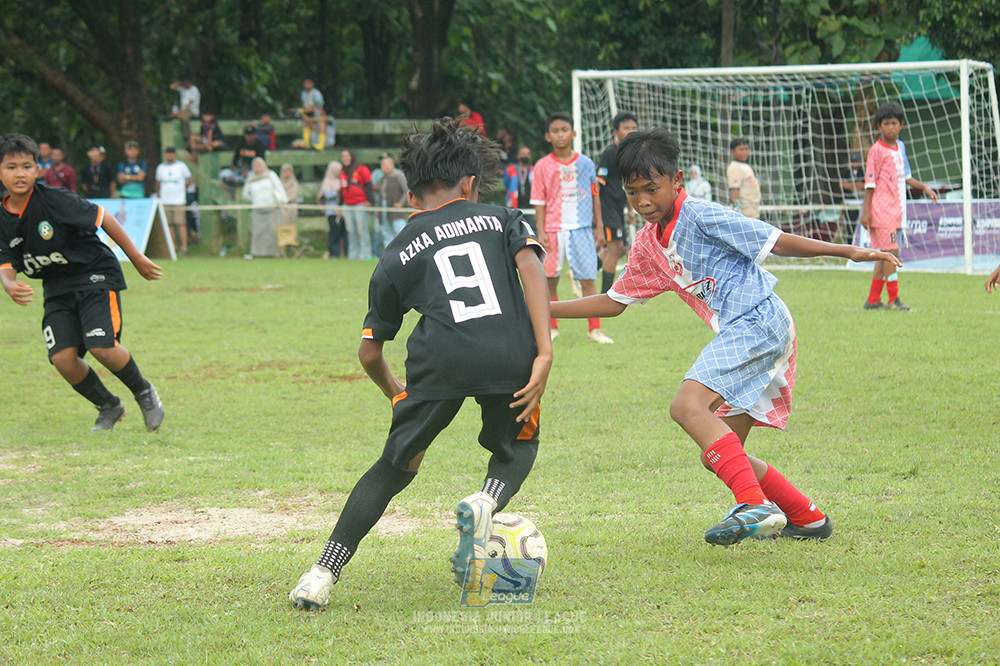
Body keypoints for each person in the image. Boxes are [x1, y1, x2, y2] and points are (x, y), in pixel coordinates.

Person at [550, 128, 902, 546]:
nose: (642, 201)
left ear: (676, 180)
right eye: (632, 192)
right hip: (753, 330)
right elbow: (613, 302)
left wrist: (847, 250)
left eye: (651, 189)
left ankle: (753, 504)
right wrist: (540, 308)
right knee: (718, 451)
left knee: (687, 406)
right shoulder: (646, 245)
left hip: (758, 319)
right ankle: (807, 518)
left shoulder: (700, 214)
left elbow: (774, 241)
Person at [289, 118, 551, 611]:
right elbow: (532, 267)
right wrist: (544, 352)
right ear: (470, 184)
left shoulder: (396, 251)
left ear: (411, 197)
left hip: (439, 361)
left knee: (394, 467)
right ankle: (487, 501)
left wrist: (397, 393)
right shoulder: (503, 218)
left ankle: (321, 573)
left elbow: (369, 352)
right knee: (518, 447)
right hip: (510, 353)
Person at [0, 133, 165, 432]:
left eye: (27, 166)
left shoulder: (56, 200)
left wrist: (136, 258)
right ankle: (108, 405)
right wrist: (9, 285)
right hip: (56, 286)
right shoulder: (2, 217)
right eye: (11, 167)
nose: (20, 174)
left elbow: (104, 218)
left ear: (38, 170)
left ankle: (144, 392)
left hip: (94, 275)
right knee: (62, 359)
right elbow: (6, 259)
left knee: (102, 347)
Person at [530, 111, 611, 343]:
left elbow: (595, 196)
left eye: (564, 130)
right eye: (555, 131)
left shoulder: (585, 163)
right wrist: (541, 230)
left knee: (588, 280)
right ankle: (551, 328)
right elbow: (539, 202)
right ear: (548, 136)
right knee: (549, 280)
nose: (560, 135)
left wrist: (599, 226)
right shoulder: (542, 166)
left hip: (581, 229)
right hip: (552, 230)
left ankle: (594, 330)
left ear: (573, 133)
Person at [860, 102, 938, 311]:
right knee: (892, 252)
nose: (890, 128)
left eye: (894, 123)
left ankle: (873, 299)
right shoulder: (876, 151)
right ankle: (894, 300)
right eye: (886, 124)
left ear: (901, 125)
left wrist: (925, 188)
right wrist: (866, 212)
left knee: (884, 255)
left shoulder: (900, 147)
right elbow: (870, 183)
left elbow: (907, 177)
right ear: (879, 126)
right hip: (881, 209)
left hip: (897, 210)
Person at [596, 111, 638, 294]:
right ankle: (605, 295)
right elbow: (598, 185)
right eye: (626, 128)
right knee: (616, 249)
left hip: (619, 208)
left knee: (619, 249)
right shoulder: (610, 153)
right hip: (608, 207)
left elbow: (628, 185)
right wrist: (597, 216)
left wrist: (630, 210)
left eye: (633, 128)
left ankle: (588, 268)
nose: (631, 131)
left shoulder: (631, 154)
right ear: (616, 132)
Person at [241, 157, 287, 259]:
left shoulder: (271, 175)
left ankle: (275, 253)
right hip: (258, 210)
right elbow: (245, 194)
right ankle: (259, 253)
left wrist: (283, 201)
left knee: (272, 231)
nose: (257, 168)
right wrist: (254, 200)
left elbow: (279, 188)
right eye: (255, 166)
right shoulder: (251, 178)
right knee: (258, 232)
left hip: (271, 209)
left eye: (259, 165)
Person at [154, 147, 194, 255]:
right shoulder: (161, 167)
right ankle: (173, 247)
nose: (170, 156)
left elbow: (190, 179)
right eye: (168, 154)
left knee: (181, 223)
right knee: (169, 224)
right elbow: (158, 183)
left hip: (179, 200)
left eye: (172, 154)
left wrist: (183, 189)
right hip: (165, 200)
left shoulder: (181, 166)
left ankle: (184, 247)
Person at [339, 149, 374, 260]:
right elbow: (342, 190)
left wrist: (369, 200)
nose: (345, 158)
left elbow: (369, 185)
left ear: (352, 157)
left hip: (360, 204)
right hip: (347, 204)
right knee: (351, 231)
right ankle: (353, 255)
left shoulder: (361, 169)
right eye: (343, 156)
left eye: (347, 156)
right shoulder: (342, 172)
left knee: (362, 230)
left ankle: (366, 254)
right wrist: (340, 205)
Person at [371, 153, 409, 253]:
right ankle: (390, 253)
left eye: (388, 164)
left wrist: (400, 203)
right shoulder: (383, 179)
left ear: (392, 165)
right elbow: (381, 195)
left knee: (400, 231)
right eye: (383, 165)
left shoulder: (399, 177)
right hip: (384, 208)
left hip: (396, 210)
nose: (386, 167)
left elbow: (406, 191)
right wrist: (379, 209)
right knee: (386, 232)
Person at [317, 161, 346, 259]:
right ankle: (333, 253)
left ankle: (343, 253)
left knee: (342, 233)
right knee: (334, 232)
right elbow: (327, 195)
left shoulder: (342, 180)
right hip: (331, 211)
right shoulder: (327, 181)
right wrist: (337, 191)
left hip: (341, 211)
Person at [727, 137, 761, 219]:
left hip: (752, 212)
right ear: (733, 151)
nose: (745, 152)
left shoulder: (745, 166)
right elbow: (734, 192)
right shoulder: (735, 167)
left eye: (746, 149)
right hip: (744, 215)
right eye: (741, 149)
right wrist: (737, 214)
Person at [839, 152, 865, 237]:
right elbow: (842, 185)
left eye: (857, 161)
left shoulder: (864, 172)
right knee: (850, 224)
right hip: (849, 201)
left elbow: (864, 185)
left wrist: (850, 185)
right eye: (853, 161)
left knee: (861, 224)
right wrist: (856, 185)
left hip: (861, 201)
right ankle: (850, 240)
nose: (855, 163)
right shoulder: (845, 172)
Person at [277, 163, 301, 255]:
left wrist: (286, 200)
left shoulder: (294, 183)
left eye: (289, 171)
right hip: (281, 208)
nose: (287, 173)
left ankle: (291, 246)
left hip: (291, 207)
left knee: (291, 226)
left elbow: (293, 195)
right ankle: (281, 248)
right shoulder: (278, 183)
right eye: (285, 171)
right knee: (281, 226)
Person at [169, 77, 201, 143]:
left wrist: (183, 112)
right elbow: (172, 87)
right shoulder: (182, 89)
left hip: (192, 110)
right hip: (183, 110)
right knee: (174, 115)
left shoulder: (194, 89)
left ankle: (187, 137)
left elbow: (189, 103)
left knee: (184, 118)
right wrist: (180, 82)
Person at [504, 146, 533, 211]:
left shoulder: (533, 170)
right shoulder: (510, 170)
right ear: (518, 155)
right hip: (514, 204)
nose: (525, 156)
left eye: (527, 154)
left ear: (530, 156)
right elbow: (506, 185)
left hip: (530, 204)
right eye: (523, 154)